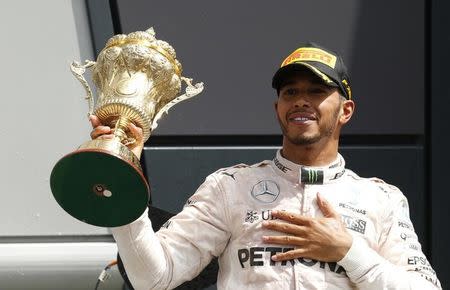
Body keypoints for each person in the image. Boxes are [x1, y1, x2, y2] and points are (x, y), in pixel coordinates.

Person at [90, 42, 442, 290]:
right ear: (277, 109)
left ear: (346, 111)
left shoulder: (382, 199)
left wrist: (349, 252)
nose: (301, 100)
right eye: (290, 92)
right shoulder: (230, 187)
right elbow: (152, 278)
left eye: (317, 91)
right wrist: (124, 180)